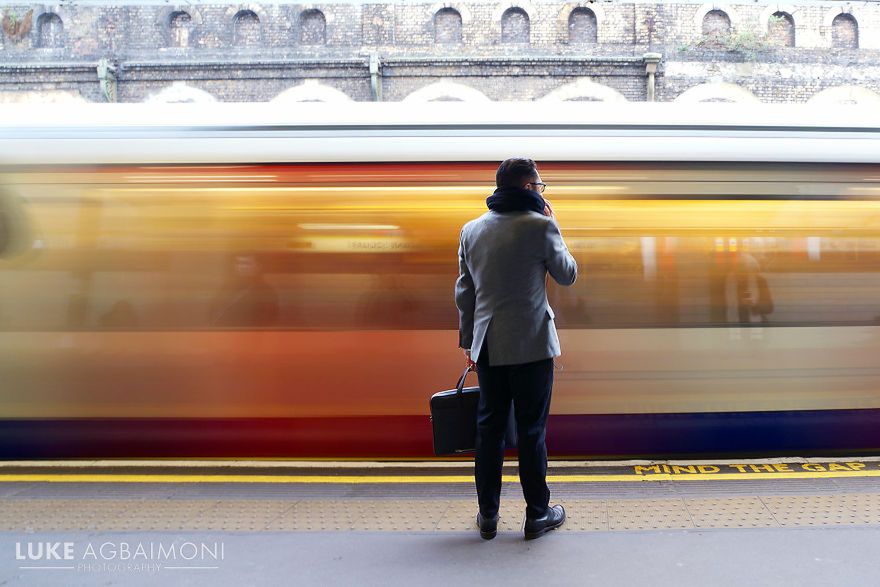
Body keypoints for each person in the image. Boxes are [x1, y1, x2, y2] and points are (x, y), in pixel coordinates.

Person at [455, 157, 578, 540]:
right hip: (532, 344)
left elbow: (465, 294)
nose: (542, 193)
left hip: (488, 344)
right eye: (540, 187)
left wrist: (469, 343)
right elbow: (567, 274)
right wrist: (554, 223)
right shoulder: (541, 226)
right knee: (531, 431)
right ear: (528, 189)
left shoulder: (471, 230)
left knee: (489, 431)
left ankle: (488, 516)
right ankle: (537, 514)